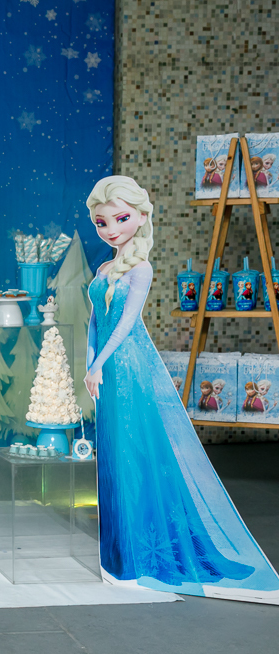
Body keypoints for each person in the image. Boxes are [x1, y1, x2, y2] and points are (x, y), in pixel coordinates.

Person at [83, 175, 279, 601]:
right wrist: (89, 363)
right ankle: (120, 553)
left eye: (120, 218)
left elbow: (127, 323)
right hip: (106, 370)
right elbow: (95, 321)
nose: (111, 229)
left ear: (141, 217)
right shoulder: (103, 270)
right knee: (114, 452)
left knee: (135, 448)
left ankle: (141, 552)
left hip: (128, 365)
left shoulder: (141, 268)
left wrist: (98, 363)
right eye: (102, 222)